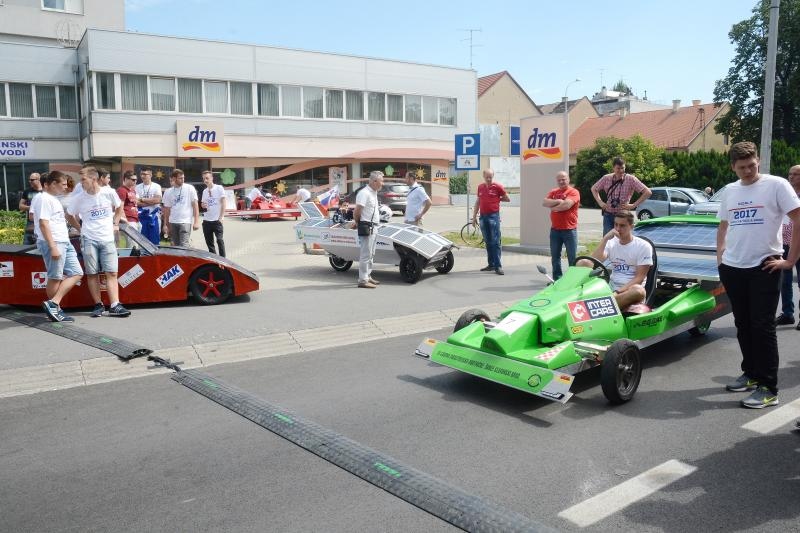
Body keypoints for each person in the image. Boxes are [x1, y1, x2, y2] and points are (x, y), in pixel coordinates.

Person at [717, 142, 800, 409]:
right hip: (733, 267)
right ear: (733, 167)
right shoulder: (730, 191)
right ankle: (751, 373)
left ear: (758, 161)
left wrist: (790, 260)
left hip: (765, 265)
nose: (748, 171)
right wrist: (720, 257)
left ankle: (768, 387)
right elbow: (723, 225)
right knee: (743, 324)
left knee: (762, 327)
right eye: (741, 167)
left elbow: (798, 218)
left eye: (752, 165)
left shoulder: (776, 185)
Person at [66, 166, 131, 318]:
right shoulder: (79, 198)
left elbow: (120, 204)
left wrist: (115, 222)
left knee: (112, 272)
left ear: (94, 179)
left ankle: (115, 305)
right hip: (89, 239)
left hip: (107, 238)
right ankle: (98, 305)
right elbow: (69, 215)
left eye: (83, 179)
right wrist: (80, 229)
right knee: (92, 273)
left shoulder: (108, 192)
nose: (80, 183)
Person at [32, 171, 84, 322]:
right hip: (54, 242)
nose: (65, 187)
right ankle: (55, 309)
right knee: (55, 277)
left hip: (63, 240)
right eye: (62, 184)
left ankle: (53, 303)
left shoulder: (52, 199)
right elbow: (43, 223)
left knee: (77, 272)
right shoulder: (43, 199)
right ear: (53, 184)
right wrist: (52, 246)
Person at [580, 210, 652, 308]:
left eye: (622, 226)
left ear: (631, 226)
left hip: (629, 290)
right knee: (583, 262)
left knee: (638, 291)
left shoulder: (643, 246)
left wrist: (618, 292)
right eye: (616, 225)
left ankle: (603, 305)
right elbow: (593, 261)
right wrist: (605, 239)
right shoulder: (611, 242)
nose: (618, 229)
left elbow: (639, 278)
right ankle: (606, 304)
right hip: (611, 287)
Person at [591, 157, 652, 235]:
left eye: (622, 168)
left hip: (623, 215)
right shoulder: (606, 178)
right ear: (613, 168)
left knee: (623, 239)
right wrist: (600, 202)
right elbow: (593, 189)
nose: (620, 171)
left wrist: (633, 205)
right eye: (618, 168)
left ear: (625, 167)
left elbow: (648, 192)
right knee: (608, 241)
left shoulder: (631, 179)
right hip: (608, 215)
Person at [542, 171, 580, 280]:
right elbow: (544, 202)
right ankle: (557, 279)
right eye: (559, 180)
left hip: (569, 230)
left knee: (572, 258)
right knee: (555, 257)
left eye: (563, 179)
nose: (561, 181)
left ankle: (572, 280)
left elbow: (567, 205)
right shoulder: (554, 191)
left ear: (568, 179)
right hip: (555, 230)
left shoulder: (574, 192)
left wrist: (554, 207)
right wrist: (559, 200)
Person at [472, 168, 510, 275]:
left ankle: (498, 266)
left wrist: (497, 198)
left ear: (493, 176)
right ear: (483, 176)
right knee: (488, 241)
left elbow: (507, 198)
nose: (489, 179)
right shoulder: (480, 187)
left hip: (493, 217)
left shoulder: (497, 187)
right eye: (487, 177)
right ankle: (491, 264)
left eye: (491, 177)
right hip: (483, 217)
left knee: (495, 241)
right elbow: (478, 202)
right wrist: (474, 217)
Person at [775, 165, 800, 327]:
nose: (791, 177)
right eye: (790, 174)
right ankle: (787, 313)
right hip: (784, 242)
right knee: (784, 280)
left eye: (796, 174)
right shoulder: (785, 194)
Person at [353, 171, 383, 288]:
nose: (382, 184)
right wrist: (357, 222)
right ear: (374, 181)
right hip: (367, 226)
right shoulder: (364, 193)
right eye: (381, 181)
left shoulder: (373, 192)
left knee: (371, 254)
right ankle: (362, 280)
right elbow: (357, 210)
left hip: (374, 226)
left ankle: (367, 276)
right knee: (366, 254)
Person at [162, 169, 200, 247]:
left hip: (185, 222)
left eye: (183, 178)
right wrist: (165, 225)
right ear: (173, 179)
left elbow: (195, 205)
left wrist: (196, 221)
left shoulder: (190, 188)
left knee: (184, 245)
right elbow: (167, 210)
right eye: (180, 178)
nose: (183, 180)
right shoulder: (168, 192)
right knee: (175, 245)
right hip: (173, 222)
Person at [200, 170, 226, 257]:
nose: (205, 180)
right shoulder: (204, 191)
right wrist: (203, 205)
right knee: (209, 243)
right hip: (207, 221)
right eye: (204, 179)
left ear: (212, 178)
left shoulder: (219, 188)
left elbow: (223, 202)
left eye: (207, 178)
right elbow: (203, 205)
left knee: (219, 240)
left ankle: (223, 260)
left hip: (217, 220)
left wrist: (221, 217)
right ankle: (214, 261)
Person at [135, 167, 162, 245]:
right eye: (141, 174)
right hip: (142, 217)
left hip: (154, 217)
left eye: (145, 174)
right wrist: (151, 201)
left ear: (150, 175)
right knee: (142, 241)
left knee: (154, 241)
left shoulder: (156, 186)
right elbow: (136, 202)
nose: (142, 176)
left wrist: (142, 199)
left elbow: (157, 200)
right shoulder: (137, 187)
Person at [19, 172, 43, 245]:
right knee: (26, 245)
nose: (30, 181)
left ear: (39, 180)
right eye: (29, 180)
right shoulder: (27, 191)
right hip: (31, 222)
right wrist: (32, 207)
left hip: (42, 221)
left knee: (41, 243)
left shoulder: (45, 191)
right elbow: (20, 206)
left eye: (32, 180)